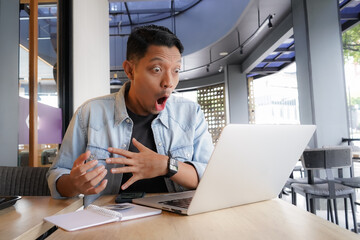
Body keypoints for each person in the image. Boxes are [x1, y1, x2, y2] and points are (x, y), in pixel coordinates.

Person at [47, 25, 214, 206]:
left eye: (176, 70)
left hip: (175, 222)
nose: (169, 83)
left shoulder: (191, 113)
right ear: (130, 70)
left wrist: (166, 165)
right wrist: (73, 184)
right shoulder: (89, 113)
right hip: (107, 221)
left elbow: (211, 177)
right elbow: (57, 175)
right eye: (157, 69)